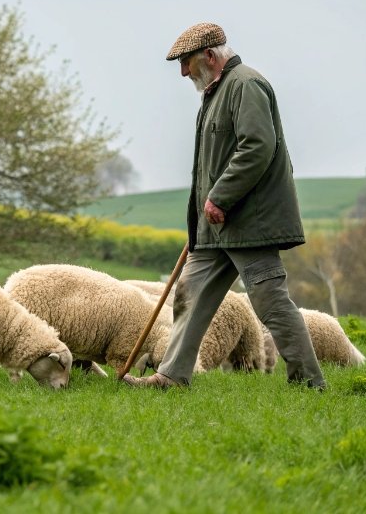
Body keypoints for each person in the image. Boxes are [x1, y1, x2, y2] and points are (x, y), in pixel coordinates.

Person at [124, 22, 326, 390]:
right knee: (188, 295)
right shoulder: (216, 92)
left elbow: (257, 147)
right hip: (216, 227)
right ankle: (171, 377)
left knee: (270, 303)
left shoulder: (246, 85)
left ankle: (309, 382)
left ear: (210, 56)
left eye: (186, 63)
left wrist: (220, 196)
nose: (183, 72)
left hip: (250, 224)